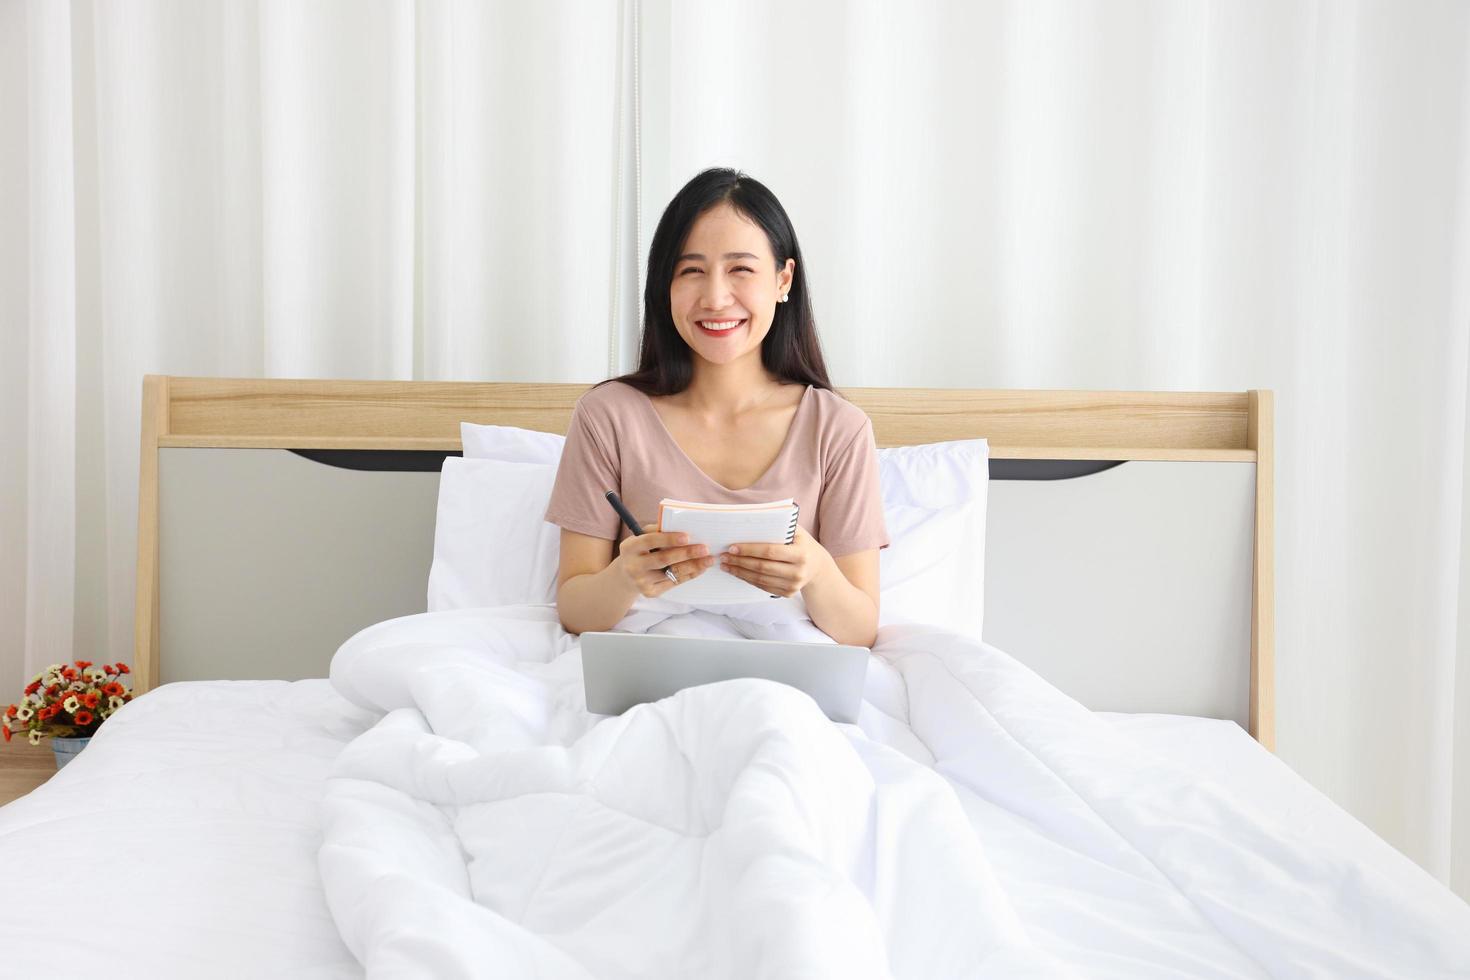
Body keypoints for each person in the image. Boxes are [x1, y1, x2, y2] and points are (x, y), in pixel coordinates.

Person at [545, 168, 888, 647]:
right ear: (666, 286)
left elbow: (860, 630)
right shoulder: (608, 416)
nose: (715, 297)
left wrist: (816, 571)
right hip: (652, 665)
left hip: (782, 677)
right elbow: (576, 611)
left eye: (740, 269)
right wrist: (625, 574)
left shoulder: (839, 429)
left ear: (783, 279)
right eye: (691, 271)